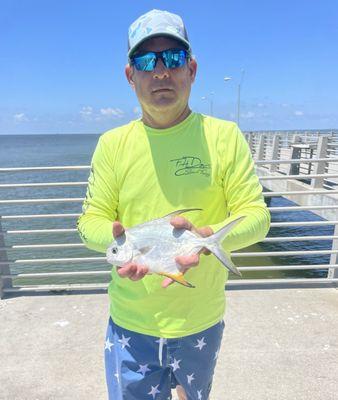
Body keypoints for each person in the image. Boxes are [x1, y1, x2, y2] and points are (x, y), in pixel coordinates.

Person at [77, 9, 270, 400]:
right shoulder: (112, 145)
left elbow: (257, 215)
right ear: (131, 76)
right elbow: (90, 222)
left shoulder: (225, 137)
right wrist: (120, 241)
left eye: (174, 58)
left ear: (192, 69)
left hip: (200, 320)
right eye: (146, 61)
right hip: (131, 325)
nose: (161, 71)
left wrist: (210, 236)